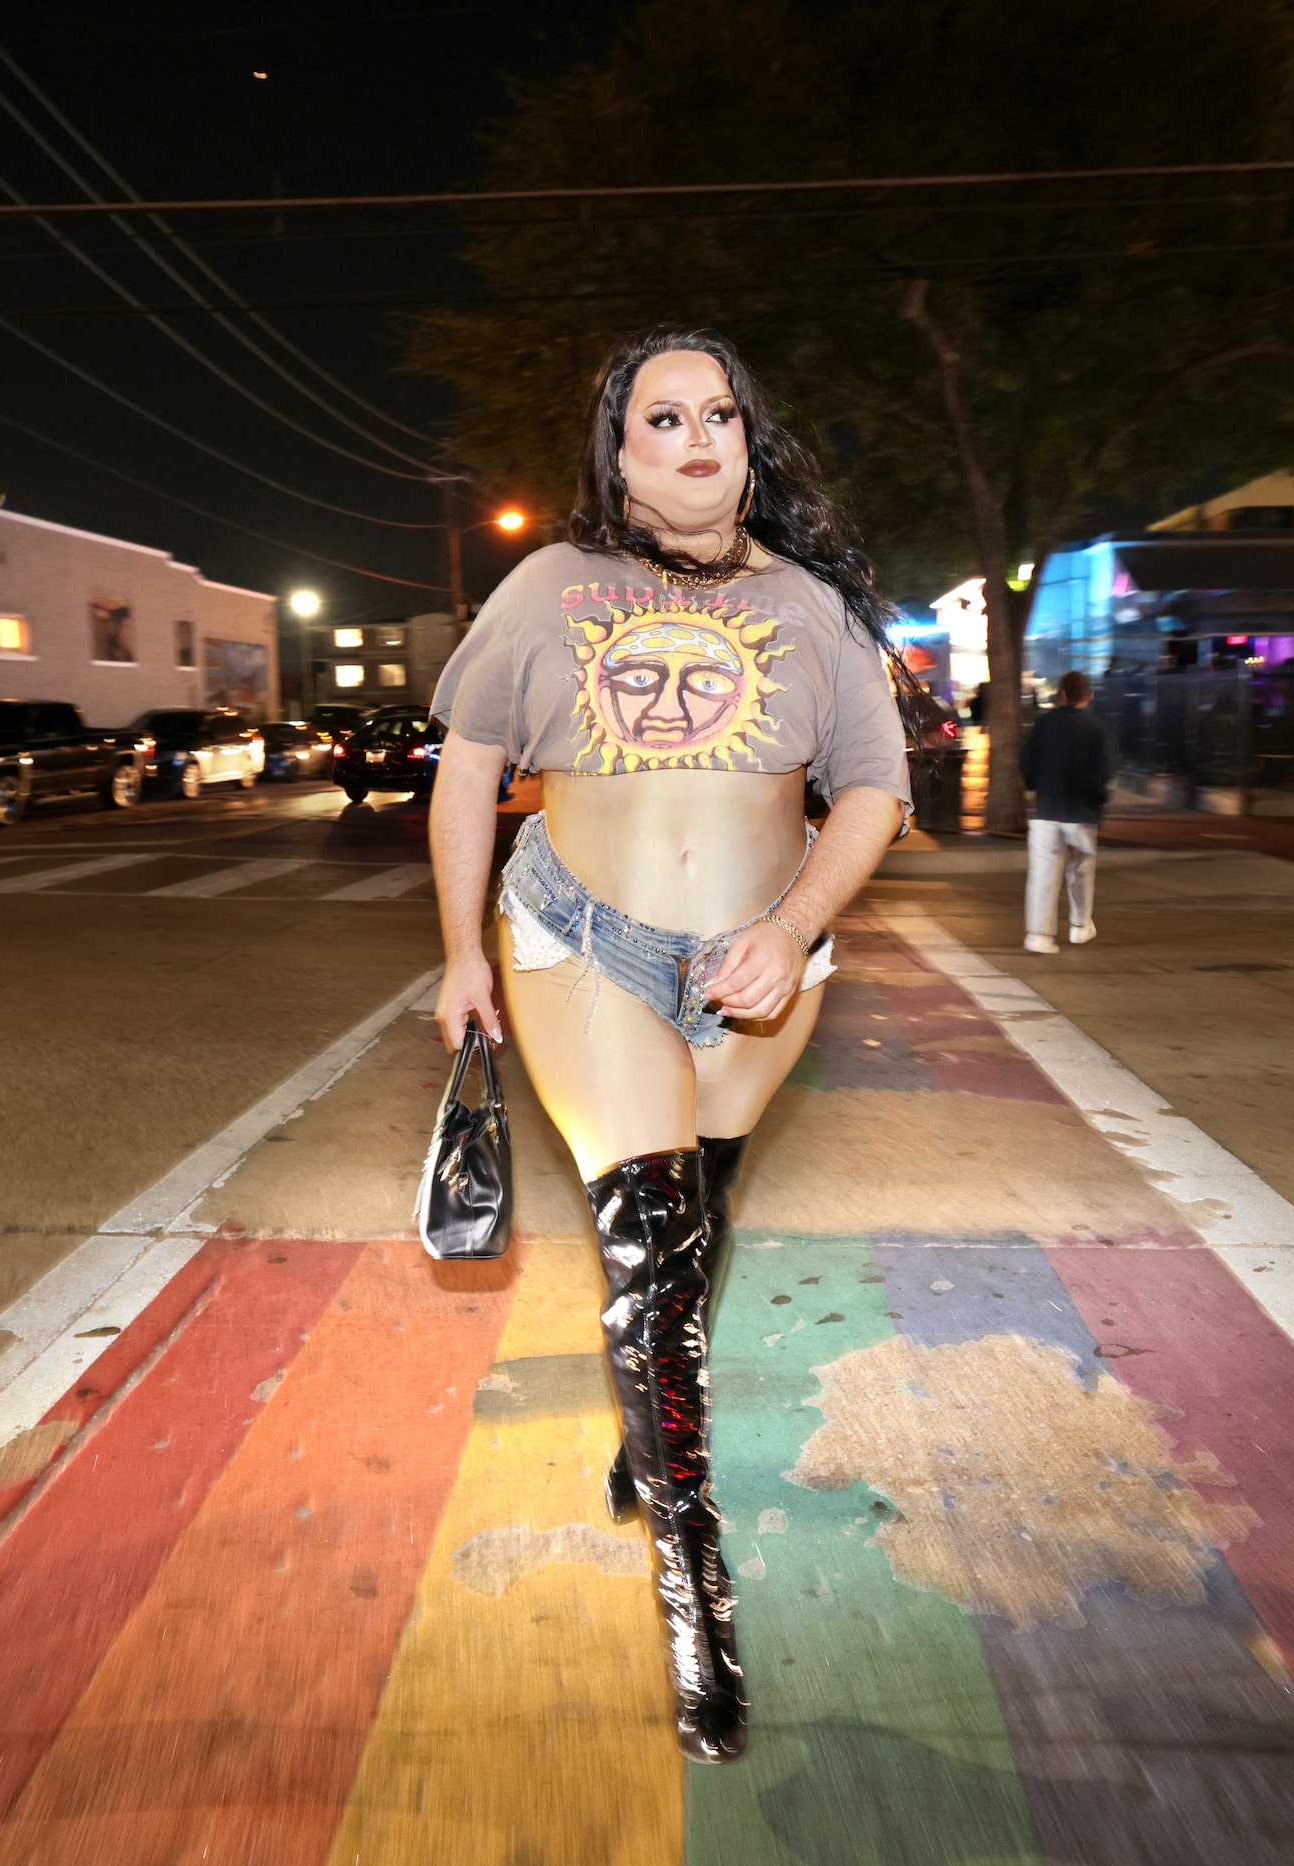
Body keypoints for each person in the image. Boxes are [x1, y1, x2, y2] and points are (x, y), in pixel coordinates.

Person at [426, 326, 910, 1763]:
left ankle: (657, 1427)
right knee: (646, 1236)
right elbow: (463, 771)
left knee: (693, 1226)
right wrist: (461, 950)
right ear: (617, 452)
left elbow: (873, 790)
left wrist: (801, 915)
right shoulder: (550, 590)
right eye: (663, 418)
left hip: (765, 962)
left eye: (720, 415)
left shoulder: (811, 605)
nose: (697, 438)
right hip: (588, 946)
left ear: (749, 440)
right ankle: (694, 1578)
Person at [1020, 668, 1109, 954]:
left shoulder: (1043, 725)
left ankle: (1039, 935)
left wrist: (1037, 787)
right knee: (1081, 871)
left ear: (1061, 694)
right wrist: (1097, 799)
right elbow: (1104, 770)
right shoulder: (1095, 727)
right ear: (1089, 696)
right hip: (1081, 812)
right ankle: (1080, 927)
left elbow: (1027, 764)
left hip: (1046, 810)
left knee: (1043, 874)